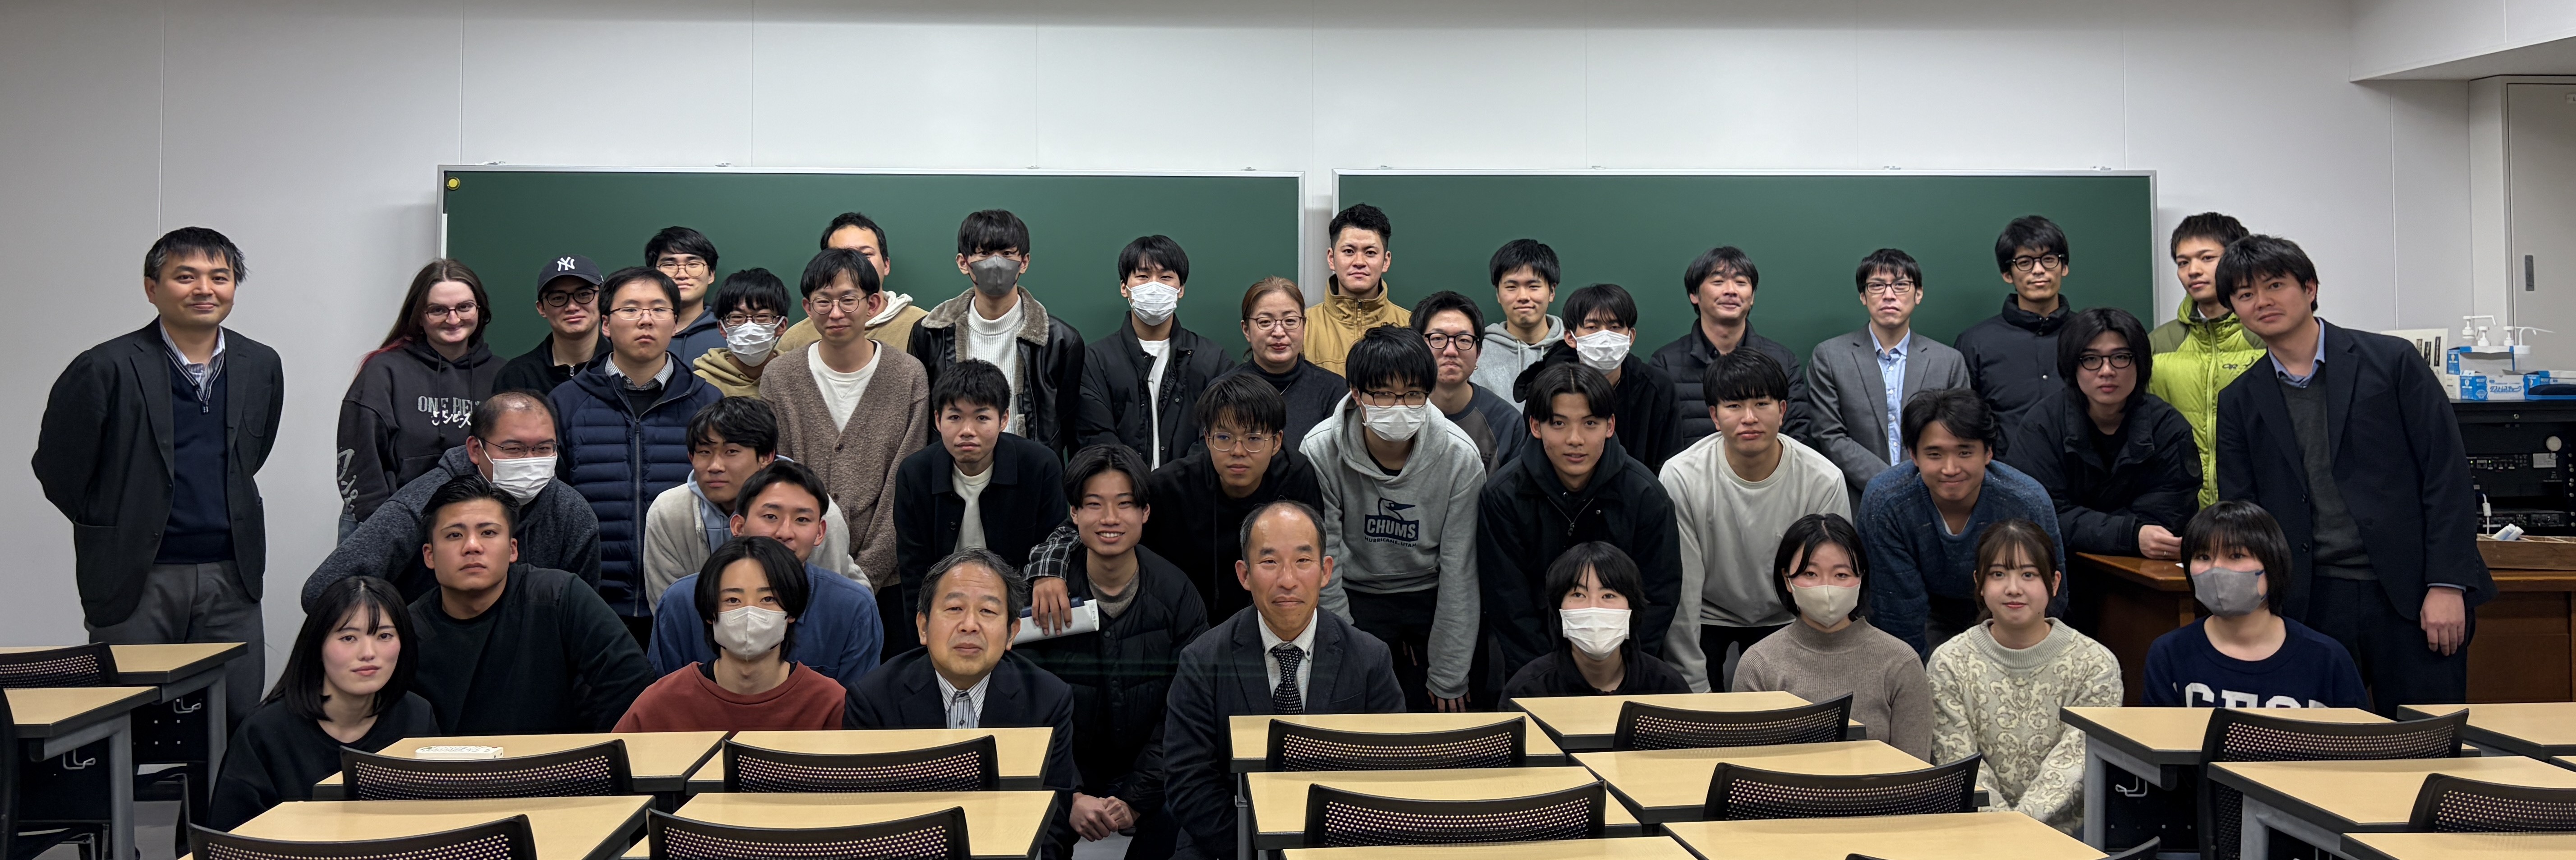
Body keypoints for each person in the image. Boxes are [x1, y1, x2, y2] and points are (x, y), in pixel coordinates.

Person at [2213, 235, 2490, 714]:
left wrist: (2448, 583)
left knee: (2422, 739)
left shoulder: (2392, 362)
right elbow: (2245, 513)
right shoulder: (2239, 399)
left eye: (2275, 285)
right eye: (2244, 294)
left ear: (2310, 288)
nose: (2261, 301)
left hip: (2411, 593)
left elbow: (2445, 475)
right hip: (2309, 600)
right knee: (2320, 747)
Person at [36, 227, 282, 721]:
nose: (205, 289)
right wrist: (118, 520)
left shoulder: (260, 364)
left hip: (231, 575)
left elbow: (251, 457)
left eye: (220, 277)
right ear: (152, 288)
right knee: (128, 724)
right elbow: (59, 470)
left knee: (234, 719)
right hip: (136, 577)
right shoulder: (104, 366)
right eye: (185, 277)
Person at [1162, 501, 1404, 860]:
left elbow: (1389, 773)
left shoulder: (1370, 658)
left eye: (1303, 561)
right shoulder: (1202, 660)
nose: (1288, 580)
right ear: (1245, 575)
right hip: (1227, 843)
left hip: (1338, 845)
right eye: (1270, 562)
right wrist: (1260, 850)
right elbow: (1188, 781)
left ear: (1326, 571)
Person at [1017, 445, 1210, 859]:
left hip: (1152, 776)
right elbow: (1026, 706)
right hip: (1064, 773)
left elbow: (1185, 713)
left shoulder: (1177, 595)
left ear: (1145, 513)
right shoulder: (1044, 595)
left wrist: (1136, 798)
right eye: (1094, 504)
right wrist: (1071, 794)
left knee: (1188, 818)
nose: (1109, 518)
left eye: (1124, 504)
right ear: (1073, 514)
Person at [843, 549, 1080, 860]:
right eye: (954, 608)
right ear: (923, 627)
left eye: (988, 611)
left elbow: (1053, 822)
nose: (970, 625)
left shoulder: (1048, 698)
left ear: (1012, 633)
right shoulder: (874, 698)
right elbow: (865, 819)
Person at [1303, 326, 1485, 712]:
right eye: (1384, 394)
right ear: (1357, 394)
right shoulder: (1320, 450)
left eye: (1413, 394)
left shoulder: (1460, 457)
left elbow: (1461, 571)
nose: (1399, 406)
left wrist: (1449, 673)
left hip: (1429, 595)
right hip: (1354, 593)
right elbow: (1323, 562)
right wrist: (1346, 652)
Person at [1659, 350, 1850, 693]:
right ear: (1715, 416)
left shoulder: (1823, 479)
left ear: (1783, 411)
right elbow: (1683, 588)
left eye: (1762, 404)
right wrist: (1695, 689)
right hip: (1707, 614)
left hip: (1790, 614)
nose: (1749, 418)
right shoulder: (1682, 476)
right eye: (1734, 406)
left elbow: (1828, 585)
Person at [552, 266, 725, 640]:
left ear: (675, 323)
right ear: (606, 324)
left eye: (659, 309)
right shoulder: (566, 403)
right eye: (630, 309)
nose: (646, 320)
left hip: (686, 599)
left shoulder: (708, 402)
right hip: (590, 602)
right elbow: (554, 502)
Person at [1480, 363, 1681, 680]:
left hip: (1625, 669)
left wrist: (1622, 667)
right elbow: (1508, 603)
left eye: (1590, 423)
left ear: (1610, 426)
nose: (1575, 439)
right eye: (1559, 423)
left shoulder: (1646, 496)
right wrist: (1546, 676)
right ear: (1535, 426)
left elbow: (1658, 596)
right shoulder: (1504, 496)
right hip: (1535, 671)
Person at [405, 476, 654, 734]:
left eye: (488, 533)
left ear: (513, 549)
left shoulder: (558, 596)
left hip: (556, 758)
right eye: (454, 535)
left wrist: (588, 747)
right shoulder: (408, 630)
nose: (472, 546)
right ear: (430, 556)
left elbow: (632, 679)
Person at [305, 392, 599, 606]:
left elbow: (582, 614)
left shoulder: (571, 513)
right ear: (475, 450)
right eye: (514, 449)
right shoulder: (422, 504)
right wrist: (397, 634)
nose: (531, 461)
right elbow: (322, 591)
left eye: (544, 449)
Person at [1926, 520, 2121, 836]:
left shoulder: (2095, 664)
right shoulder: (1949, 662)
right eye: (1998, 574)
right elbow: (1958, 762)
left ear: (2054, 583)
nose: (2013, 588)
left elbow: (2075, 762)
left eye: (2028, 575)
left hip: (2070, 841)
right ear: (1979, 583)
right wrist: (2003, 835)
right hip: (1974, 837)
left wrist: (2019, 831)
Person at [764, 247, 931, 600]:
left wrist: (865, 577)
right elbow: (780, 475)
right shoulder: (781, 377)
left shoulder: (908, 376)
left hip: (889, 580)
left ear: (872, 304)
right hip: (798, 572)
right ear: (808, 308)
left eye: (848, 300)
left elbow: (906, 484)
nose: (836, 313)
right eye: (823, 302)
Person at [207, 576, 437, 831]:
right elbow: (231, 838)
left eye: (384, 636)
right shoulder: (264, 731)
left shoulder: (417, 716)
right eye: (349, 638)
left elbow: (436, 820)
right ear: (318, 646)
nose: (368, 653)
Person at [1859, 388, 2065, 656]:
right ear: (1914, 455)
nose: (1951, 469)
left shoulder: (2025, 501)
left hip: (2006, 615)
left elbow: (2049, 596)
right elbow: (1897, 614)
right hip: (1926, 619)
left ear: (1988, 453)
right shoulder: (1888, 502)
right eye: (1935, 455)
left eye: (1965, 453)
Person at [649, 461, 883, 688]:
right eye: (771, 517)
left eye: (802, 520)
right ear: (738, 526)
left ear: (820, 532)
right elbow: (665, 697)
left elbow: (856, 707)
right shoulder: (681, 601)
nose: (785, 533)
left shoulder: (852, 607)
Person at [894, 359, 1070, 651]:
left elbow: (1054, 541)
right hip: (948, 615)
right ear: (937, 420)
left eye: (982, 418)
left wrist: (1046, 574)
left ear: (1004, 419)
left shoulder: (1040, 466)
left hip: (1020, 617)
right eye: (955, 417)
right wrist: (923, 648)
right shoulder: (915, 475)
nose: (967, 430)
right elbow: (914, 573)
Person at [2001, 308, 2199, 563]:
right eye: (2091, 359)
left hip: (2144, 569)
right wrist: (2128, 534)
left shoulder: (2168, 427)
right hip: (2060, 566)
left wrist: (2098, 528)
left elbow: (2169, 515)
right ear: (2072, 366)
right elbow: (2037, 515)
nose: (2107, 371)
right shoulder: (2042, 425)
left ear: (2140, 363)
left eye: (2121, 357)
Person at [1733, 513, 1933, 761]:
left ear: (1861, 579)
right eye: (1810, 574)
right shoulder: (1759, 664)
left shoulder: (1901, 663)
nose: (1827, 587)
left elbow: (1914, 769)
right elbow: (1747, 767)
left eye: (1841, 575)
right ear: (1787, 580)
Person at [2141, 501, 2367, 708]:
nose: (2216, 569)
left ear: (2272, 564)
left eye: (2236, 556)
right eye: (2203, 557)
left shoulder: (2328, 659)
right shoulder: (2169, 654)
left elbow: (2357, 738)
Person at [1141, 373, 1325, 623]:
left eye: (1254, 439)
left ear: (1276, 442)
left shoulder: (1296, 477)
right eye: (1224, 438)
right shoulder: (1168, 488)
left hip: (1273, 619)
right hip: (1187, 622)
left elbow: (1310, 559)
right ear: (1208, 439)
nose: (1238, 452)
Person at [618, 536, 847, 732]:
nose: (750, 612)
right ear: (709, 612)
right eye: (733, 600)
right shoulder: (662, 703)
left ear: (791, 612)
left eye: (768, 599)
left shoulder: (830, 704)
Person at [337, 259, 500, 531]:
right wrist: (387, 528)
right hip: (392, 524)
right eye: (438, 310)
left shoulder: (501, 375)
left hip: (471, 528)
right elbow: (361, 464)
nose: (453, 319)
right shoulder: (383, 371)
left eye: (464, 307)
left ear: (480, 311)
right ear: (419, 317)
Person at [908, 208, 1086, 454]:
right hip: (952, 469)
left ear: (1024, 262)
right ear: (963, 263)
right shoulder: (930, 334)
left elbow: (1072, 427)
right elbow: (922, 419)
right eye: (984, 253)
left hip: (1031, 471)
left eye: (1007, 254)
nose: (996, 263)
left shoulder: (1060, 341)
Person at [644, 397, 854, 601]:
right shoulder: (669, 512)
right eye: (705, 452)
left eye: (731, 452)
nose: (715, 466)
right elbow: (671, 605)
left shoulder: (814, 512)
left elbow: (827, 600)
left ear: (766, 457)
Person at [1807, 249, 1973, 503]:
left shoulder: (1949, 362)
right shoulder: (1830, 356)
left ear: (1919, 294)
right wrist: (1891, 485)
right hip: (1858, 500)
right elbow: (1829, 436)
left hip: (1932, 498)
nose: (1889, 295)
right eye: (1877, 286)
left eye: (1901, 285)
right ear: (1863, 296)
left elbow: (1959, 436)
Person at [1076, 235, 1236, 468]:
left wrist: (1172, 481)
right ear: (1124, 287)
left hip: (1192, 488)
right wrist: (1132, 481)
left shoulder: (1213, 360)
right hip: (1121, 488)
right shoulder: (1094, 361)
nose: (1154, 286)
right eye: (1143, 276)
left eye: (1165, 277)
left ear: (1181, 289)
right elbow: (1095, 436)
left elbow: (1220, 435)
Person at [2148, 213, 2262, 508]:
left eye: (2207, 258)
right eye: (2183, 262)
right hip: (2182, 512)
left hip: (2258, 509)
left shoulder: (2267, 336)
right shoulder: (2158, 344)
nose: (2193, 271)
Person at [1509, 283, 1682, 472]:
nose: (1605, 337)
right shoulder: (1546, 388)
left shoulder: (1657, 389)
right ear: (1571, 338)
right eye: (1592, 327)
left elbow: (1668, 466)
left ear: (1631, 337)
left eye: (1615, 327)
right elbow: (1531, 461)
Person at [1652, 246, 1809, 448]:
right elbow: (1658, 443)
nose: (1731, 291)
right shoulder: (1665, 364)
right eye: (1718, 282)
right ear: (1694, 294)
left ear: (1752, 297)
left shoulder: (1782, 361)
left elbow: (1797, 438)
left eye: (1741, 282)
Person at [1498, 542, 1689, 706]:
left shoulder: (1667, 687)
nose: (1593, 607)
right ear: (1559, 610)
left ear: (1632, 609)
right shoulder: (1527, 692)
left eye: (1609, 596)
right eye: (1578, 595)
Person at [1956, 216, 2076, 425]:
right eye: (2025, 263)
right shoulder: (1976, 343)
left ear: (2064, 267)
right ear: (2007, 274)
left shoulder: (2090, 334)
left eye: (2049, 260)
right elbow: (1965, 424)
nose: (2038, 270)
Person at [1201, 277, 1343, 449]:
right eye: (1265, 322)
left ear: (1304, 325)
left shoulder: (1333, 390)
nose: (1279, 332)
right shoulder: (1222, 391)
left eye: (1290, 321)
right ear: (1246, 330)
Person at [777, 212, 926, 356]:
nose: (854, 264)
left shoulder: (923, 327)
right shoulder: (796, 339)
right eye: (841, 255)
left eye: (866, 255)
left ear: (886, 265)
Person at [1413, 291, 1526, 472]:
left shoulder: (1507, 423)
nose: (1451, 351)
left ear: (1479, 353)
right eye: (1438, 339)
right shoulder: (1401, 412)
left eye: (1464, 340)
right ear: (1418, 347)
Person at [1304, 203, 1406, 375]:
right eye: (1349, 251)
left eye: (1370, 253)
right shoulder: (1302, 327)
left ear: (1386, 261)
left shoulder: (1412, 327)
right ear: (1331, 258)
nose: (1359, 262)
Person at [494, 254, 611, 396]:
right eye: (558, 298)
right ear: (541, 309)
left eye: (584, 294)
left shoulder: (623, 366)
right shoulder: (517, 376)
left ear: (603, 299)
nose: (572, 307)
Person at [1472, 238, 1562, 409]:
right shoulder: (1475, 352)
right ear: (1498, 294)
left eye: (1533, 286)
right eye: (1512, 287)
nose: (1523, 297)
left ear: (1552, 291)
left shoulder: (1575, 349)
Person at [690, 268, 793, 398]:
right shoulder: (700, 385)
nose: (749, 328)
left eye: (762, 317)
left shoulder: (799, 378)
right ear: (722, 328)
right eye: (737, 317)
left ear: (781, 326)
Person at [647, 226, 728, 363]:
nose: (682, 275)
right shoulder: (637, 328)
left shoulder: (730, 333)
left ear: (711, 275)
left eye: (693, 264)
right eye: (670, 265)